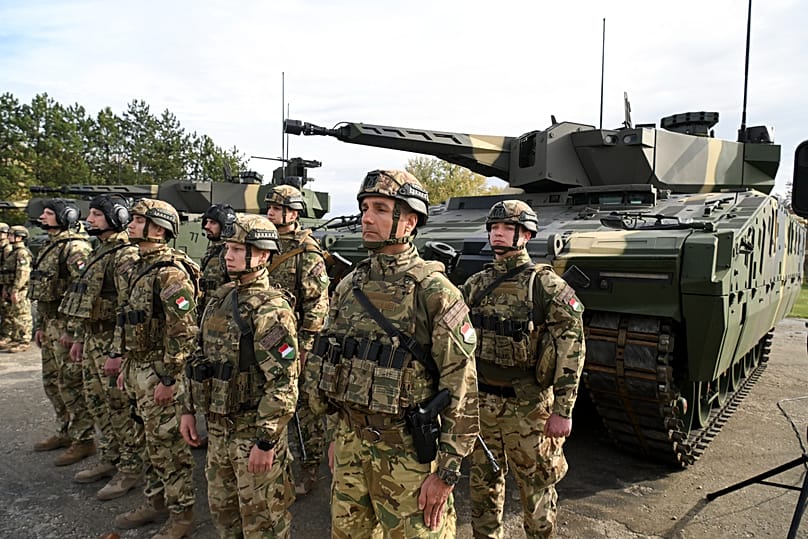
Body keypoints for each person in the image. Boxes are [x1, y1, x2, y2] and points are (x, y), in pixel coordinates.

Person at [305, 169, 479, 537]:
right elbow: (337, 365)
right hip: (352, 448)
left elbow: (461, 387)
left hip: (408, 458)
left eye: (381, 209)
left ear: (409, 220)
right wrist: (339, 436)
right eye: (365, 207)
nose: (367, 217)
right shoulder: (350, 286)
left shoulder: (434, 292)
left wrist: (445, 474)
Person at [460, 200, 586, 539]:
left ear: (526, 235)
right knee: (483, 487)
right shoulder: (476, 284)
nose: (497, 233)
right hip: (483, 405)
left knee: (537, 489)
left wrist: (563, 410)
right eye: (493, 228)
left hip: (529, 407)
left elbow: (571, 349)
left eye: (506, 228)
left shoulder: (545, 285)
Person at [180, 213, 299, 537]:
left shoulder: (271, 310)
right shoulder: (219, 299)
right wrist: (187, 409)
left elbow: (284, 381)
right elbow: (196, 356)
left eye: (237, 248)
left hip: (251, 434)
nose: (228, 255)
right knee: (224, 516)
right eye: (228, 247)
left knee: (264, 523)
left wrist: (265, 440)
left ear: (262, 254)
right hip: (218, 430)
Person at [112, 199, 199, 539]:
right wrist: (125, 363)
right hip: (138, 366)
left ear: (159, 229)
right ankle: (156, 501)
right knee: (148, 440)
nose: (131, 224)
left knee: (167, 446)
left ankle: (183, 513)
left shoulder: (171, 273)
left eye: (138, 220)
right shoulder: (137, 266)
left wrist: (169, 377)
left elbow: (184, 331)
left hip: (160, 371)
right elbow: (127, 320)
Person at [58, 195, 144, 500]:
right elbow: (86, 299)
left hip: (111, 342)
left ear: (116, 217)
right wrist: (81, 337)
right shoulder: (100, 251)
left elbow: (128, 307)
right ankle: (110, 457)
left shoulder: (124, 256)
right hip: (94, 339)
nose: (89, 219)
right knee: (98, 404)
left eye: (96, 214)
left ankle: (131, 468)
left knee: (120, 407)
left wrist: (118, 352)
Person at [264, 184, 329, 495]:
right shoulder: (263, 243)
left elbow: (317, 302)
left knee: (304, 409)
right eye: (270, 208)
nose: (270, 213)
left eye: (276, 208)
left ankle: (310, 467)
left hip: (294, 341)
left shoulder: (306, 250)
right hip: (266, 340)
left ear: (292, 213)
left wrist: (305, 347)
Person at [30, 198, 95, 466]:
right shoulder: (50, 245)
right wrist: (40, 325)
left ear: (65, 216)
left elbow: (83, 292)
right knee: (52, 382)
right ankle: (65, 431)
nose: (43, 217)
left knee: (70, 384)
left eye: (49, 213)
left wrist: (75, 332)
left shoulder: (75, 248)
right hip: (51, 324)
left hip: (66, 326)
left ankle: (83, 440)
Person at [198, 203, 235, 316]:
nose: (207, 226)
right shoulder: (213, 250)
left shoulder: (228, 253)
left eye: (213, 223)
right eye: (206, 222)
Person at [2, 225, 33, 353]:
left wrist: (16, 289)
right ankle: (16, 338)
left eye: (11, 235)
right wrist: (6, 288)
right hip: (10, 287)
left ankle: (24, 340)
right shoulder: (13, 252)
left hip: (19, 289)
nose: (8, 237)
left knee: (22, 314)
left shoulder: (22, 252)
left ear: (19, 237)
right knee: (13, 314)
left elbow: (23, 273)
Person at [0, 222, 13, 347]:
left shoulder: (7, 248)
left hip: (4, 281)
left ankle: (7, 335)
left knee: (6, 310)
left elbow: (7, 267)